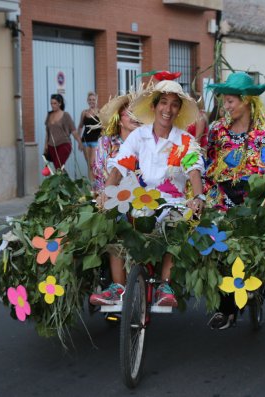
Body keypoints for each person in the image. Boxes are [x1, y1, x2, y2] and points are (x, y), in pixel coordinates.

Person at [92, 78, 205, 307]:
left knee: (178, 226)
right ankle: (118, 287)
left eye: (174, 104)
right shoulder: (138, 135)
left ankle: (166, 285)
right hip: (139, 199)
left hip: (172, 203)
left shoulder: (185, 140)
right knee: (112, 219)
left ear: (179, 110)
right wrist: (106, 193)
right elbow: (119, 166)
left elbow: (194, 170)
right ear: (154, 107)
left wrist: (197, 197)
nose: (168, 109)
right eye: (163, 102)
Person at [205, 72, 265, 328]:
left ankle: (253, 289)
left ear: (247, 101)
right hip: (223, 200)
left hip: (254, 203)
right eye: (224, 102)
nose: (226, 107)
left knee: (250, 251)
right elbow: (208, 164)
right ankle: (224, 308)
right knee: (219, 248)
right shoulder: (217, 130)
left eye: (230, 101)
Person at [89, 93, 140, 305]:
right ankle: (117, 287)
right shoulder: (105, 142)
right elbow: (99, 174)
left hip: (140, 202)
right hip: (109, 199)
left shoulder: (146, 143)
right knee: (114, 224)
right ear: (119, 116)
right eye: (130, 112)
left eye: (139, 113)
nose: (135, 117)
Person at [44, 94, 83, 170]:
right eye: (51, 103)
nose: (53, 105)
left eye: (55, 103)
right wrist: (46, 145)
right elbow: (47, 132)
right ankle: (66, 181)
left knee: (58, 165)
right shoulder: (49, 115)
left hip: (64, 144)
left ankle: (64, 181)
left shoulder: (66, 115)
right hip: (51, 146)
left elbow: (74, 131)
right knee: (58, 168)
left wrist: (79, 142)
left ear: (60, 103)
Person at [78, 92, 101, 181]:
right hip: (85, 141)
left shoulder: (100, 112)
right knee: (89, 165)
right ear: (87, 101)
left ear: (96, 100)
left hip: (96, 141)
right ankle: (92, 187)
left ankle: (96, 184)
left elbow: (105, 127)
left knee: (93, 164)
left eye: (93, 100)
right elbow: (80, 126)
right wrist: (79, 141)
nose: (92, 101)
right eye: (90, 100)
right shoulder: (84, 113)